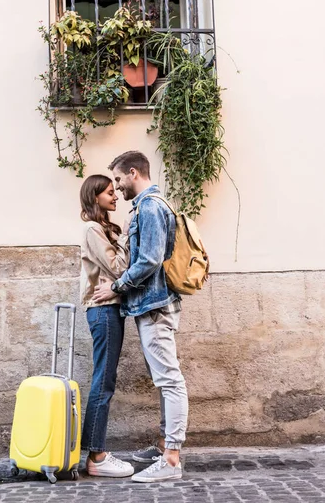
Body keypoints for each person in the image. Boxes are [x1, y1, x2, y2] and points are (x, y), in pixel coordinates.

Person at [92, 151, 188, 483]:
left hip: (154, 307)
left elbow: (148, 260)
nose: (117, 188)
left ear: (133, 173)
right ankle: (164, 447)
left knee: (170, 381)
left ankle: (172, 461)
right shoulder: (147, 207)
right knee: (164, 382)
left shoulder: (149, 207)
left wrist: (116, 287)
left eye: (118, 180)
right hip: (150, 306)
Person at [79, 174, 134, 478]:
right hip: (103, 310)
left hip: (108, 310)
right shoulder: (92, 229)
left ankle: (95, 452)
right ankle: (97, 456)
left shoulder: (100, 228)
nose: (115, 197)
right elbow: (118, 267)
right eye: (109, 193)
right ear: (95, 196)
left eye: (115, 192)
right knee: (103, 381)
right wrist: (125, 236)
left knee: (105, 379)